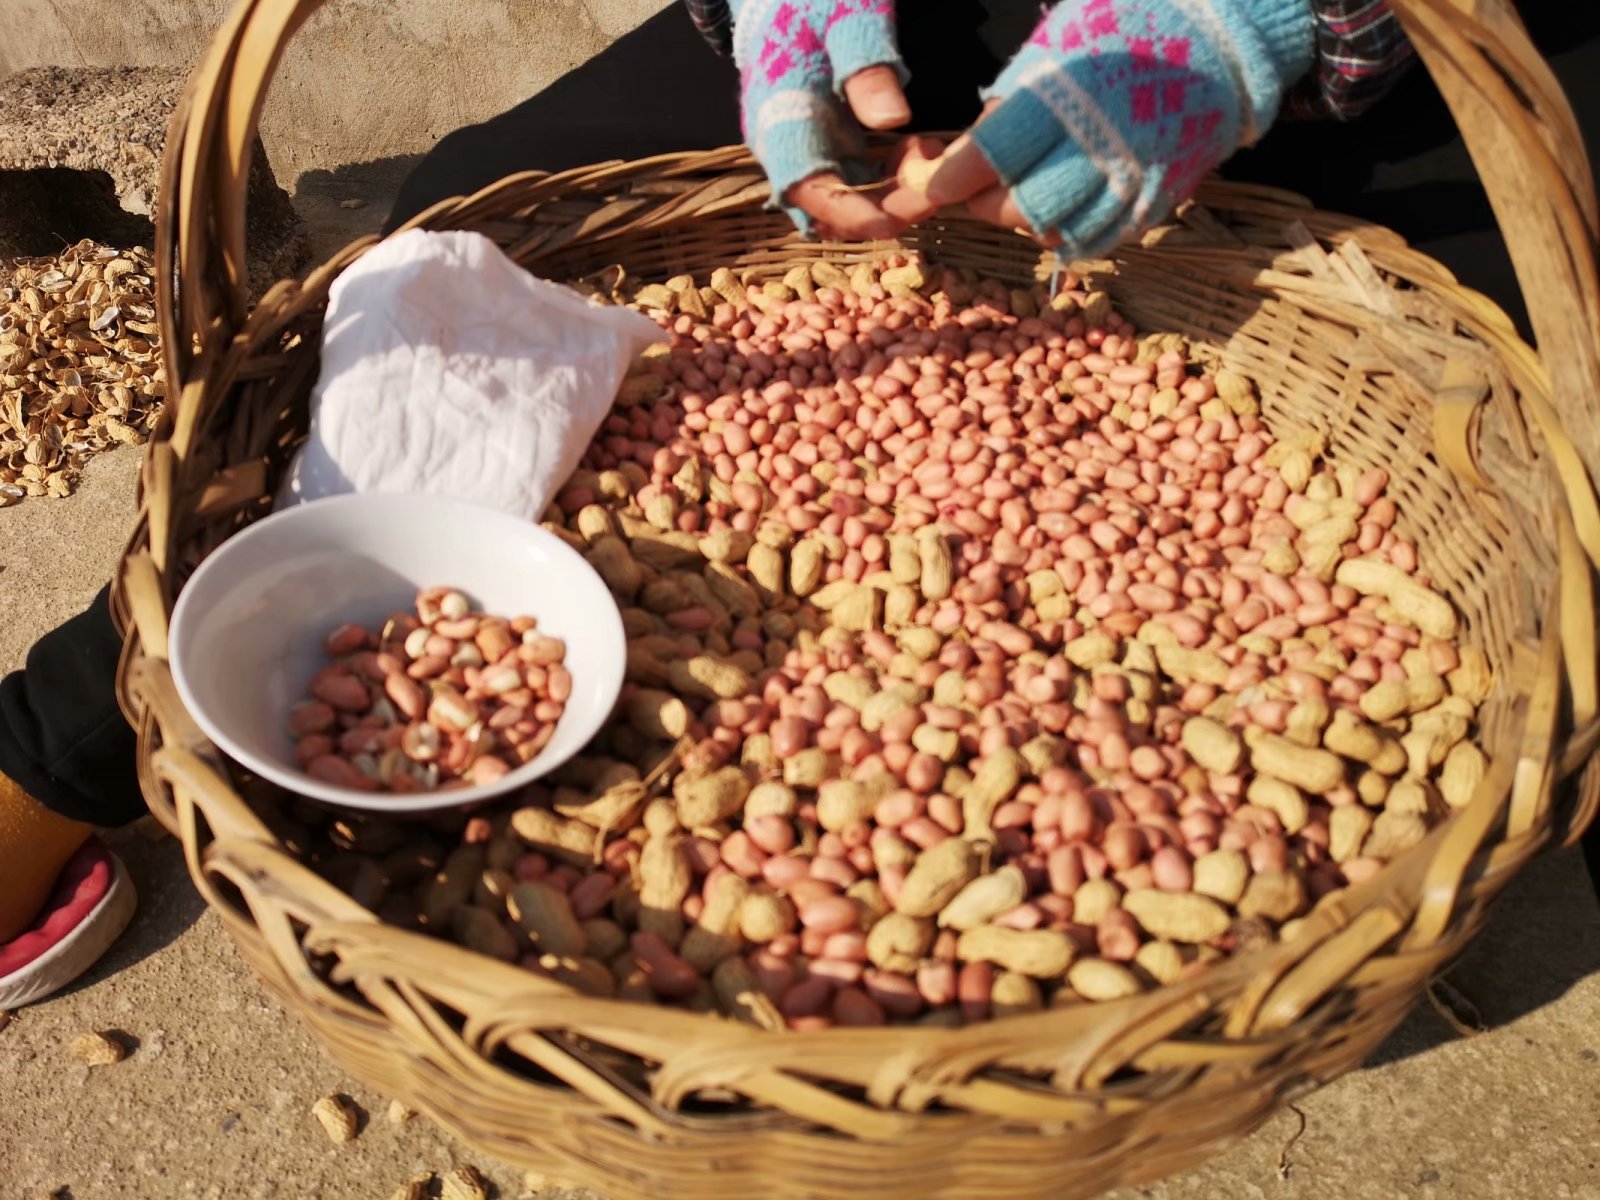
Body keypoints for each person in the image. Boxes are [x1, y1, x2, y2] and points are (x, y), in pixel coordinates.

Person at [2, 0, 1595, 1005]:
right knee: (425, 265)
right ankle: (67, 741)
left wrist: (1275, 23)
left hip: (1402, 68)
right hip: (938, 27)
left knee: (1555, 450)